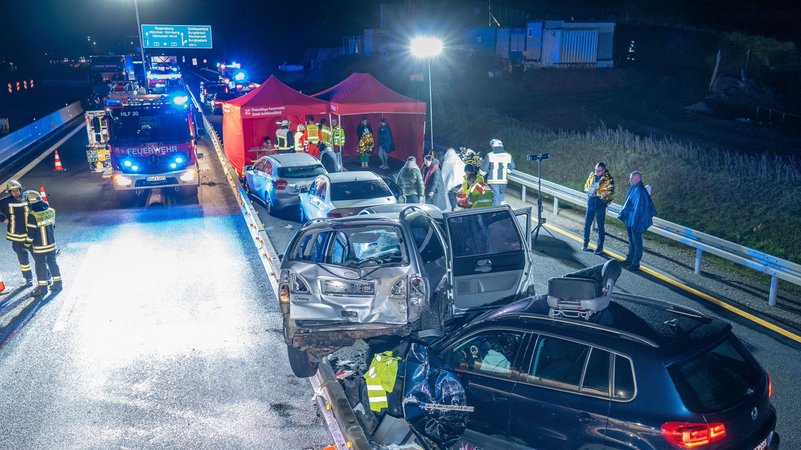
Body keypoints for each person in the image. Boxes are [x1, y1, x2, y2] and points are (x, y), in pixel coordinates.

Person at [24, 190, 62, 296]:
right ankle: (58, 283)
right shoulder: (51, 211)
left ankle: (42, 288)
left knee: (40, 266)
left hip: (39, 247)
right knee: (53, 264)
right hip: (51, 244)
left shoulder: (32, 215)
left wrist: (26, 245)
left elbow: (31, 234)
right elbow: (53, 226)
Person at [617, 171, 657, 271]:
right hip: (631, 220)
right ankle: (629, 259)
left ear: (638, 179)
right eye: (630, 178)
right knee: (631, 240)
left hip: (637, 221)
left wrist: (634, 221)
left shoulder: (641, 191)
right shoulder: (634, 188)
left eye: (631, 178)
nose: (629, 180)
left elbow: (641, 209)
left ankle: (635, 263)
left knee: (637, 242)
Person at [0, 180, 33, 286]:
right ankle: (28, 278)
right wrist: (3, 219)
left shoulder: (28, 197)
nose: (15, 193)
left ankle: (46, 276)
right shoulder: (5, 201)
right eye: (12, 191)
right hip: (16, 236)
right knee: (23, 260)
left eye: (17, 190)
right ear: (9, 192)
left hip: (31, 234)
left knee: (39, 257)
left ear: (20, 189)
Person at [582, 162, 615, 255]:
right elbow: (586, 185)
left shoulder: (608, 179)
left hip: (600, 206)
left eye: (598, 170)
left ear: (603, 170)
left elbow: (610, 192)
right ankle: (585, 243)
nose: (596, 172)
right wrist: (588, 191)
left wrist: (599, 195)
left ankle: (599, 248)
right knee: (586, 224)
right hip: (591, 204)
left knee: (600, 227)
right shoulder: (592, 175)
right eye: (595, 169)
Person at [481, 138, 515, 205]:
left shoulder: (489, 155)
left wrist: (481, 173)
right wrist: (507, 170)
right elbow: (512, 167)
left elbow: (484, 170)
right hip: (503, 180)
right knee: (501, 195)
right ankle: (502, 208)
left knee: (495, 196)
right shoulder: (508, 155)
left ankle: (496, 211)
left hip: (493, 180)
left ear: (493, 147)